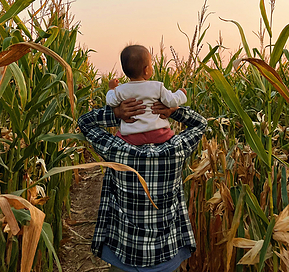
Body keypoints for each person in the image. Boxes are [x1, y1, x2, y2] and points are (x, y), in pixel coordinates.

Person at [77, 98, 207, 272]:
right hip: (166, 253)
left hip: (123, 252)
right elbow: (200, 123)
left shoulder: (117, 151)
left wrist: (116, 113)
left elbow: (85, 122)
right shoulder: (176, 150)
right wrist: (173, 110)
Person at [106, 45, 187, 145]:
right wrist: (181, 93)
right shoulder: (157, 87)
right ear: (146, 70)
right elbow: (172, 101)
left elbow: (110, 101)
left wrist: (112, 89)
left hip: (131, 138)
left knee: (119, 137)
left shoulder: (121, 90)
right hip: (159, 135)